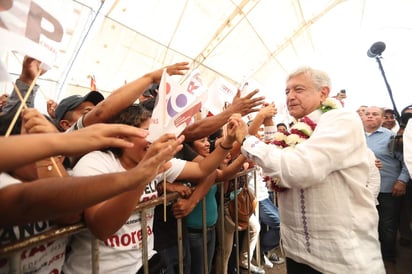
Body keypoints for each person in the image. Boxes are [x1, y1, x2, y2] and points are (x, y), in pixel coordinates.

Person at [232, 66, 385, 273]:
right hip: (297, 253)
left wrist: (246, 139)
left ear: (324, 93)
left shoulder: (341, 120)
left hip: (339, 258)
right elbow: (278, 154)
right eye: (287, 91)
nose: (290, 97)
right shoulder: (297, 128)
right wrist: (266, 122)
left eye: (299, 89)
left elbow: (299, 168)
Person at [62, 104, 239, 274]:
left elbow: (202, 169)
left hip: (144, 263)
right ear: (123, 136)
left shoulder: (153, 162)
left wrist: (228, 141)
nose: (154, 138)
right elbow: (102, 228)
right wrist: (145, 174)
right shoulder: (95, 163)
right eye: (147, 132)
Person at [362, 106, 409, 271]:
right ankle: (368, 258)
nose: (370, 117)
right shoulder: (354, 137)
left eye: (375, 114)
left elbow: (406, 161)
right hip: (361, 190)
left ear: (383, 119)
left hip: (387, 189)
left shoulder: (392, 137)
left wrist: (402, 181)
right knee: (365, 226)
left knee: (387, 227)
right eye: (367, 114)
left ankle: (388, 259)